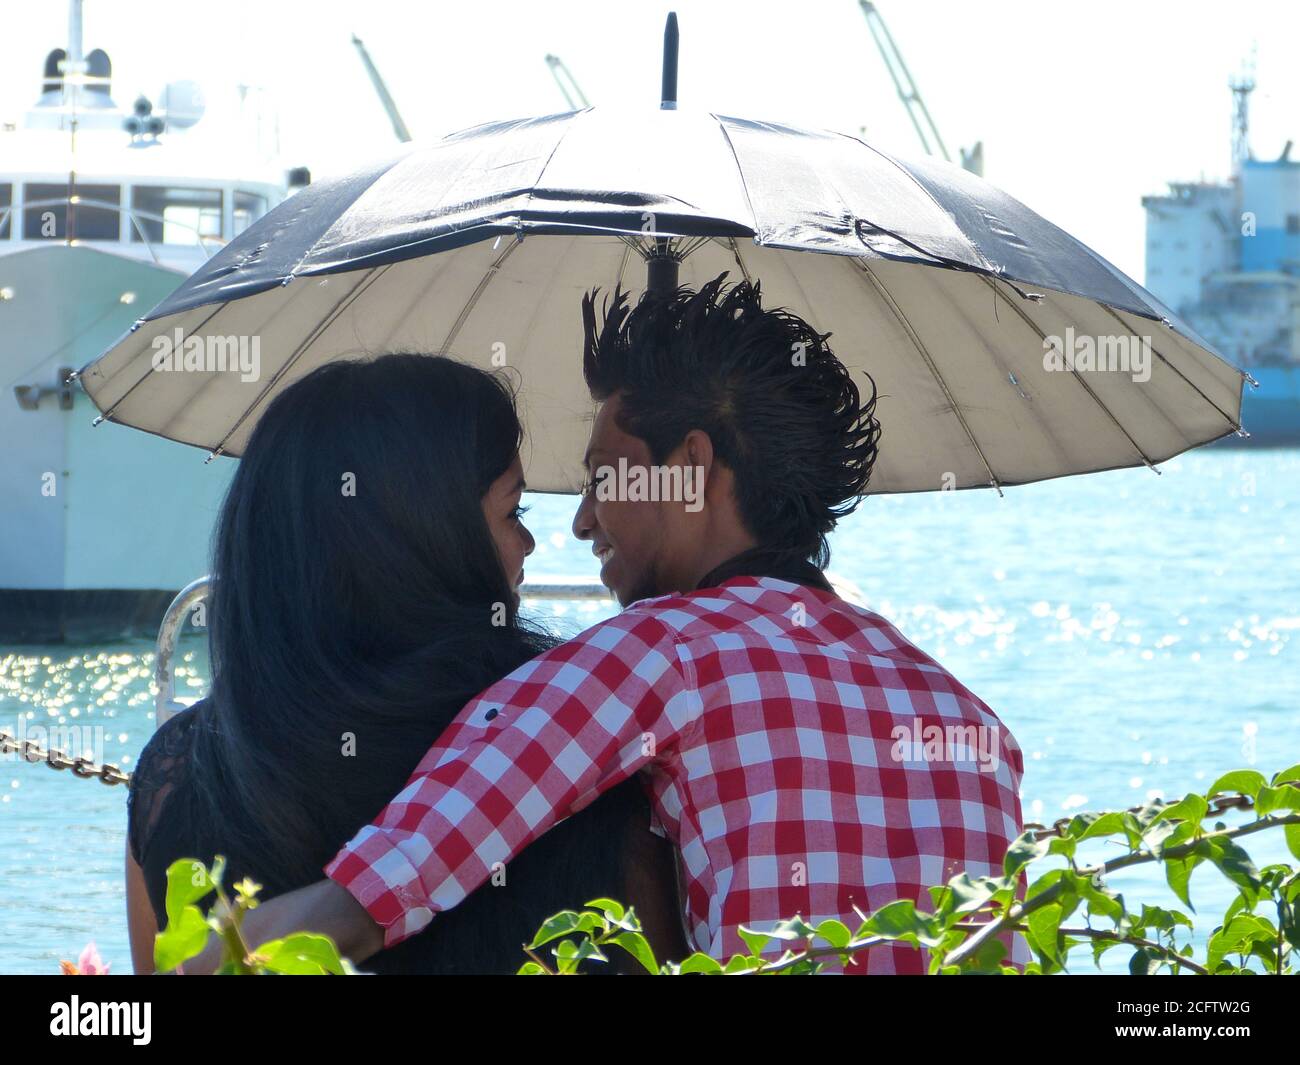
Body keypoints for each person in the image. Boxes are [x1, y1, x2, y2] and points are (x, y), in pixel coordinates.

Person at [187, 274, 1028, 975]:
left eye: (602, 478)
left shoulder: (662, 654)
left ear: (691, 469)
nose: (585, 521)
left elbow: (382, 890)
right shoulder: (969, 716)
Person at [125, 353, 688, 974]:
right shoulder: (567, 741)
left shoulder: (178, 775)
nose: (528, 543)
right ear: (424, 540)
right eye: (512, 512)